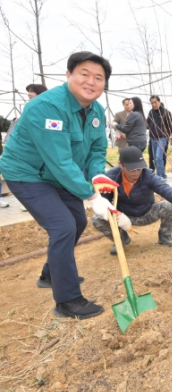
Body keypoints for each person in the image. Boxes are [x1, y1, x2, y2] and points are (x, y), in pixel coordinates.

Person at [0, 51, 116, 319]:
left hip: (61, 174)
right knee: (63, 226)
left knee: (77, 222)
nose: (91, 81)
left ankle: (50, 274)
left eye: (98, 78)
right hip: (28, 174)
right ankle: (68, 300)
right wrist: (90, 196)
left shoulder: (96, 110)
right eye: (84, 74)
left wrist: (97, 177)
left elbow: (98, 149)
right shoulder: (47, 107)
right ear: (68, 75)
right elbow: (59, 160)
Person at [91, 146, 172, 254]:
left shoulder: (148, 175)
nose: (136, 172)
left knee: (168, 206)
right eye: (132, 169)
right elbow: (104, 201)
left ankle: (165, 236)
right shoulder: (111, 177)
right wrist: (118, 215)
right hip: (123, 216)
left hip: (146, 213)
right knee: (97, 218)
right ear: (121, 165)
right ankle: (120, 238)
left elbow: (164, 188)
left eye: (139, 168)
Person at [147, 95, 172, 180]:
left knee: (159, 157)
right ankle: (160, 175)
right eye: (152, 103)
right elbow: (147, 124)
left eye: (155, 102)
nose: (154, 104)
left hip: (162, 137)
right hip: (153, 138)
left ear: (159, 102)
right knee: (155, 158)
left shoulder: (165, 112)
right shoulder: (151, 112)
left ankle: (160, 176)